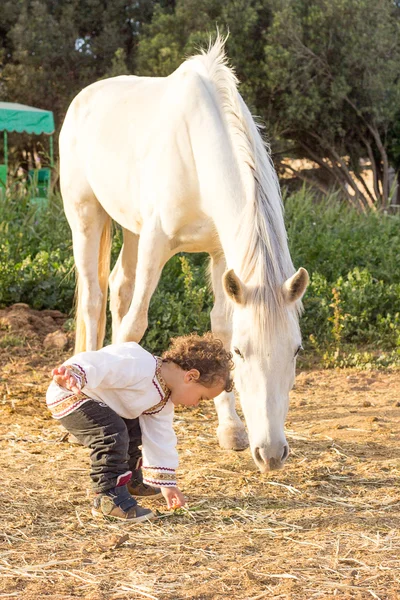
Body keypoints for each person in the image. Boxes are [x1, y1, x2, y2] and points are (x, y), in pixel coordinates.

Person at [46, 333, 234, 522]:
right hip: (72, 394)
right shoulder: (140, 363)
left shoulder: (163, 401)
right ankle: (109, 498)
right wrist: (76, 374)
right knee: (112, 433)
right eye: (201, 398)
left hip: (101, 403)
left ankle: (129, 480)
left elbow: (159, 439)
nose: (196, 405)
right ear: (191, 376)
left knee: (135, 427)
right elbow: (102, 363)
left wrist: (167, 484)